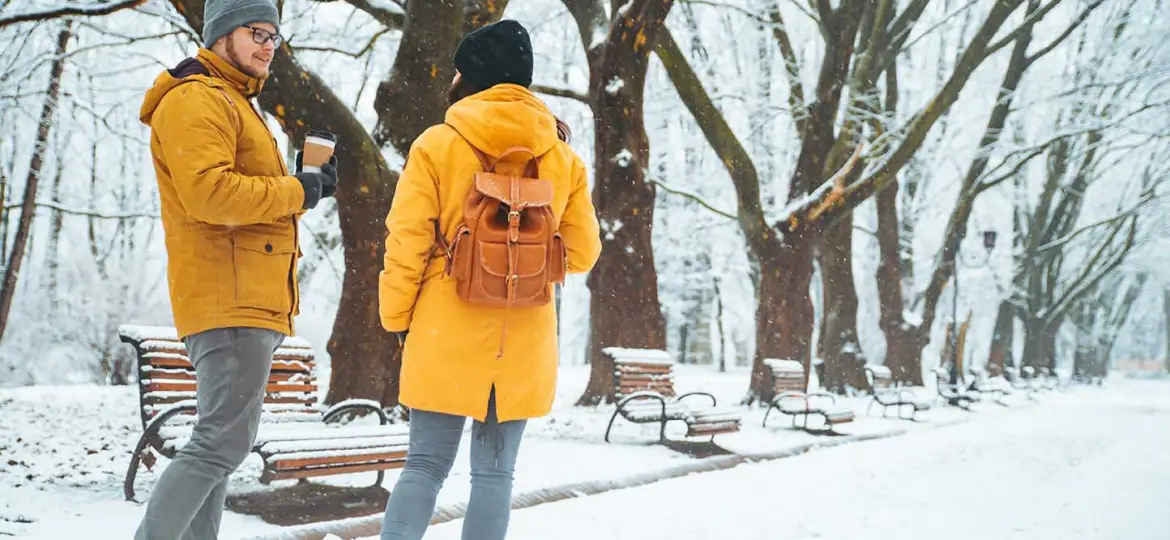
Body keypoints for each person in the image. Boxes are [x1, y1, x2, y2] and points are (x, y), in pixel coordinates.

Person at [377, 19, 602, 540]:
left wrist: (397, 316)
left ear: (471, 77)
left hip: (443, 328)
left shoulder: (437, 144)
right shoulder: (562, 157)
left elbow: (405, 241)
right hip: (523, 336)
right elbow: (585, 251)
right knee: (495, 476)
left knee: (425, 467)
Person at [134, 0, 337, 538]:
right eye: (256, 32)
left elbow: (239, 192)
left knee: (219, 445)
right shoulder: (198, 99)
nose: (269, 45)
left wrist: (304, 185)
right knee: (221, 443)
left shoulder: (235, 102)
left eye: (275, 36)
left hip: (248, 298)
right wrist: (298, 190)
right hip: (230, 297)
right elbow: (211, 194)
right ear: (222, 33)